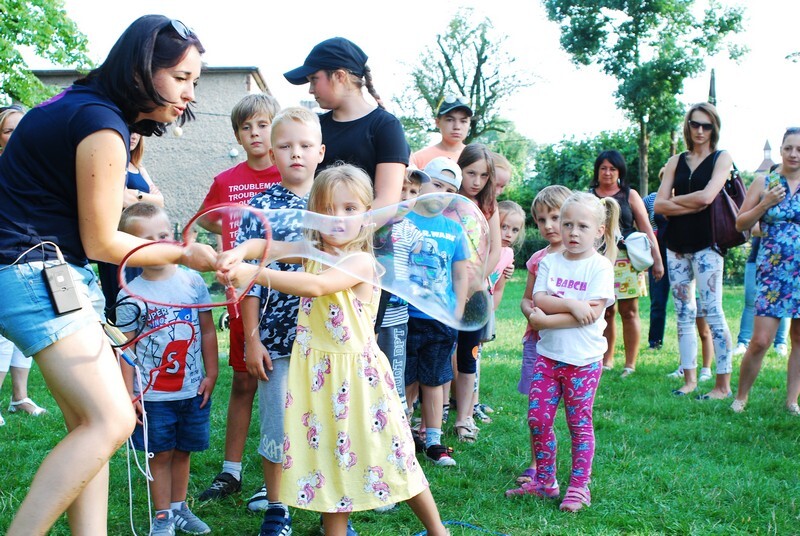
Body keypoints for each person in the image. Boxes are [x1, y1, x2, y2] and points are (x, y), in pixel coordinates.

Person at [0, 15, 215, 535]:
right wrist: (183, 254)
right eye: (182, 78)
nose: (189, 94)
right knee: (113, 420)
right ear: (144, 68)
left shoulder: (78, 105)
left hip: (39, 271)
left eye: (195, 81)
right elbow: (102, 241)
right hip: (35, 272)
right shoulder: (101, 124)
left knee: (88, 426)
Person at [217, 164, 449, 536]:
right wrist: (241, 252)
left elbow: (314, 286)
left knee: (393, 455)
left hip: (358, 380)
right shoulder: (312, 249)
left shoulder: (359, 260)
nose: (337, 219)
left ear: (367, 217)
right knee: (329, 458)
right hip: (319, 378)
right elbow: (266, 246)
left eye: (349, 209)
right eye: (326, 210)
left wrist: (254, 274)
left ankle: (438, 530)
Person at [225, 106, 324, 536]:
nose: (295, 154)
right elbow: (250, 284)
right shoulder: (259, 209)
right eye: (285, 146)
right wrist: (251, 340)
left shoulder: (336, 203)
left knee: (328, 421)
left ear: (320, 151)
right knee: (277, 425)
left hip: (327, 338)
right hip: (277, 336)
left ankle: (331, 507)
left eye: (304, 146)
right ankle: (277, 506)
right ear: (271, 150)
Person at [196, 93, 282, 508]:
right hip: (242, 295)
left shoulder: (289, 173)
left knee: (282, 385)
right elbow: (206, 217)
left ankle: (280, 470)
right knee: (245, 380)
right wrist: (226, 246)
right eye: (246, 128)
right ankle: (231, 470)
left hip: (287, 295)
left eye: (263, 125)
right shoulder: (227, 180)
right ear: (237, 135)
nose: (255, 133)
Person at [507, 192, 618, 513]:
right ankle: (545, 482)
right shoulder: (551, 262)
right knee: (538, 419)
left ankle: (579, 486)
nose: (572, 232)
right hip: (547, 358)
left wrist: (545, 320)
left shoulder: (600, 267)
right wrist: (570, 303)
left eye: (582, 226)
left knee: (578, 425)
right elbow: (540, 297)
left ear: (599, 230)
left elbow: (592, 314)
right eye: (567, 224)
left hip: (582, 364)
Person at [116, 203, 217, 536]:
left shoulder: (191, 282)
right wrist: (129, 394)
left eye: (163, 235)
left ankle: (179, 508)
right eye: (148, 239)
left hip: (191, 390)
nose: (159, 243)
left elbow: (206, 330)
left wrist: (211, 373)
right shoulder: (132, 294)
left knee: (184, 450)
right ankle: (162, 516)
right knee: (160, 454)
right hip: (153, 397)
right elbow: (126, 349)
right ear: (130, 248)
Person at [655, 102, 734, 399]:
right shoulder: (676, 160)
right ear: (687, 126)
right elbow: (658, 205)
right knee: (683, 313)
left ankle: (722, 386)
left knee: (713, 312)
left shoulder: (721, 158)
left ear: (714, 128)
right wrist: (685, 203)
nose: (700, 131)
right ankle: (689, 380)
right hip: (675, 244)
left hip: (707, 244)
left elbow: (707, 197)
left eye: (706, 125)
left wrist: (676, 204)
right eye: (695, 124)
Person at [284, 37, 408, 211]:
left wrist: (345, 234)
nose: (310, 89)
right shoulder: (314, 127)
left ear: (339, 76)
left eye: (314, 79)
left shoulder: (386, 126)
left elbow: (387, 201)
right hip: (317, 232)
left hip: (369, 234)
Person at [404, 157, 469, 467]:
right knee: (404, 380)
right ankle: (401, 436)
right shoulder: (403, 220)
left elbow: (460, 274)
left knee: (433, 380)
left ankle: (433, 441)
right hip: (406, 316)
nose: (442, 193)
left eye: (450, 190)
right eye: (437, 184)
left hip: (439, 320)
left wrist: (456, 311)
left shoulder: (453, 229)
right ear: (421, 183)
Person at [732, 127, 800, 414]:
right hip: (773, 272)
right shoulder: (765, 182)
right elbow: (740, 223)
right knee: (760, 341)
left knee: (799, 340)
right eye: (789, 148)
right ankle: (741, 397)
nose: (794, 154)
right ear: (781, 150)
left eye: (799, 149)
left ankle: (791, 401)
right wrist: (766, 203)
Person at [511, 184, 571, 488]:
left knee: (572, 413)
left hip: (570, 347)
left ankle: (572, 468)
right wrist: (531, 314)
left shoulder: (579, 258)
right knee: (538, 412)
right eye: (541, 220)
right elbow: (525, 298)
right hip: (537, 342)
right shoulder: (538, 258)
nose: (548, 226)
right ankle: (537, 464)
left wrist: (551, 317)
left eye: (556, 217)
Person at [590, 150, 663, 377]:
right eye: (603, 168)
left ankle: (630, 364)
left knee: (629, 312)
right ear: (597, 171)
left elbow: (646, 229)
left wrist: (657, 260)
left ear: (620, 171)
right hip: (598, 260)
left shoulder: (630, 195)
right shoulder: (589, 196)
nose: (608, 173)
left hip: (627, 260)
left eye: (613, 168)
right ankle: (606, 360)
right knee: (606, 312)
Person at [452, 143, 501, 443]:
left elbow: (495, 249)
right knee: (442, 353)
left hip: (476, 292)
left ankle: (464, 417)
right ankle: (438, 410)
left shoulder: (489, 207)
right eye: (471, 173)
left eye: (483, 176)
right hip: (447, 292)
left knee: (468, 355)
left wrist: (476, 280)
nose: (476, 181)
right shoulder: (447, 202)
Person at [643, 174, 714, 381]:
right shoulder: (654, 200)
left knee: (703, 320)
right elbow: (647, 225)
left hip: (696, 260)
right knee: (683, 317)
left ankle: (707, 369)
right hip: (672, 259)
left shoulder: (695, 197)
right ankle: (685, 365)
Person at [98, 131, 164, 323]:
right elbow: (119, 197)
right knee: (121, 299)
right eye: (129, 130)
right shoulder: (113, 164)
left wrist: (135, 194)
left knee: (145, 295)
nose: (134, 135)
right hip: (118, 239)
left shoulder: (138, 166)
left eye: (138, 131)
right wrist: (143, 197)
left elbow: (160, 201)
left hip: (141, 241)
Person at [375, 167, 425, 416]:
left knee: (395, 369)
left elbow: (422, 262)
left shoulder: (412, 231)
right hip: (370, 312)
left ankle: (399, 421)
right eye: (401, 189)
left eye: (413, 192)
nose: (406, 196)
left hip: (396, 314)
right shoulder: (374, 225)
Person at [470, 199, 525, 424]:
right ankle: (464, 401)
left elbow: (499, 288)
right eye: (503, 226)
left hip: (484, 309)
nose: (508, 233)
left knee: (476, 356)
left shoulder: (508, 255)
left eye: (514, 229)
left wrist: (489, 312)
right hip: (466, 307)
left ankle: (474, 401)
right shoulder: (481, 246)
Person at [732, 235, 790, 357]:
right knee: (750, 302)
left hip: (785, 259)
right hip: (757, 259)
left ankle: (780, 343)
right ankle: (743, 342)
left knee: (783, 302)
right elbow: (755, 229)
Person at [410, 95, 472, 169]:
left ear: (469, 124)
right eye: (450, 120)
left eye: (463, 121)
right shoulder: (417, 160)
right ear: (437, 122)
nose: (457, 127)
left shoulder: (477, 158)